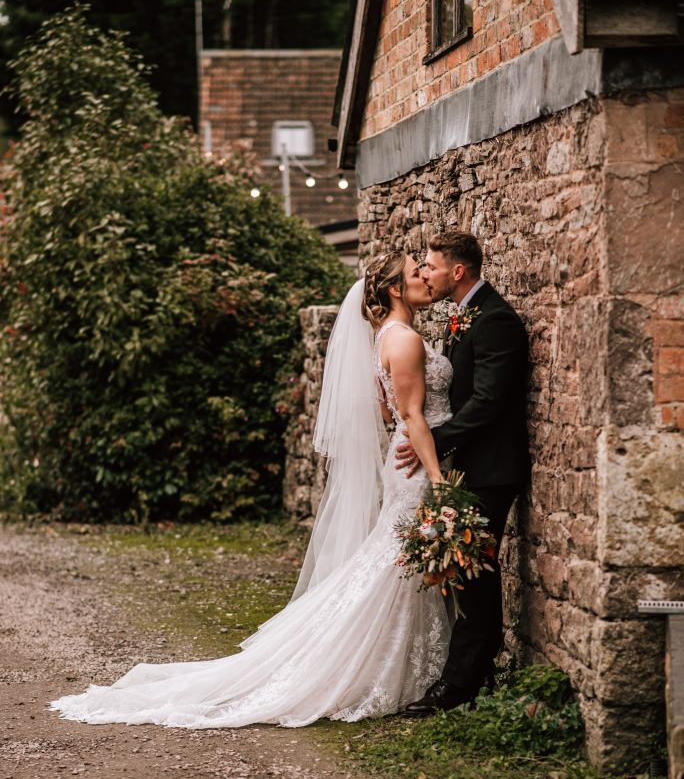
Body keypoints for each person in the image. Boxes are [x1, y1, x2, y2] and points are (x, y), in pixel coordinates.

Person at [51, 252, 456, 728]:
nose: (426, 278)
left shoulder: (384, 338)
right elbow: (408, 416)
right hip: (418, 467)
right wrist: (438, 479)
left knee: (394, 563)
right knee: (396, 565)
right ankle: (367, 667)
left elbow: (387, 412)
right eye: (415, 273)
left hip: (406, 459)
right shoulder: (405, 339)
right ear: (393, 289)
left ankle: (400, 664)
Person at [396, 231, 529, 716]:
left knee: (473, 573)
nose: (424, 274)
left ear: (458, 271)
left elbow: (489, 402)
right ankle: (473, 673)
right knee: (461, 572)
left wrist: (435, 441)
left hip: (492, 469)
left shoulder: (496, 321)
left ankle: (460, 685)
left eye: (430, 266)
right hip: (466, 464)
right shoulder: (462, 317)